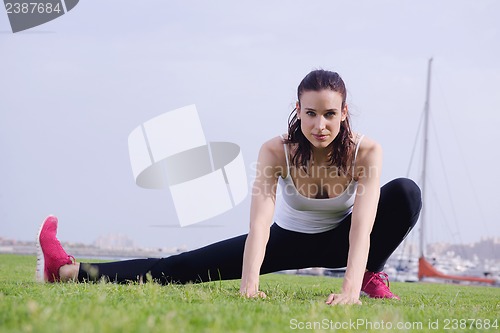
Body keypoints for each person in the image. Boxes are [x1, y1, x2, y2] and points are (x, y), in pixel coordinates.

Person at [37, 69, 422, 305]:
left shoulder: (366, 152)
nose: (320, 124)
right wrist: (249, 286)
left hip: (343, 239)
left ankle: (373, 275)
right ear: (298, 110)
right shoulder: (275, 152)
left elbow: (362, 227)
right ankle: (67, 272)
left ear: (344, 113)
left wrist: (351, 288)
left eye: (330, 114)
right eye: (310, 113)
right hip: (285, 240)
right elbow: (259, 225)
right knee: (181, 267)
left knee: (405, 192)